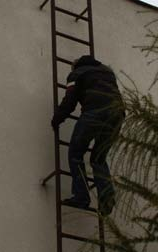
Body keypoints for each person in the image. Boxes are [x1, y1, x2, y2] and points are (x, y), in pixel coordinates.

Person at [51, 55, 124, 216]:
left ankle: (81, 197)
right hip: (117, 115)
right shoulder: (107, 72)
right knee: (98, 158)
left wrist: (57, 120)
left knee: (75, 154)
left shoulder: (77, 74)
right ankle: (106, 198)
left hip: (95, 113)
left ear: (75, 66)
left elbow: (70, 101)